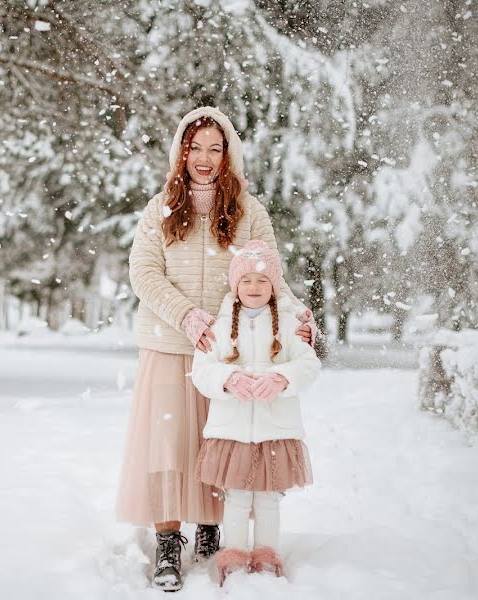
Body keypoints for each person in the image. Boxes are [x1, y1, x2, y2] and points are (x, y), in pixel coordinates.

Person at [115, 106, 318, 592]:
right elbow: (143, 272)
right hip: (168, 343)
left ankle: (211, 528)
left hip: (229, 350)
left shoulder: (248, 211)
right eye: (195, 147)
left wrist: (298, 316)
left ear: (228, 154)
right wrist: (184, 313)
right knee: (169, 446)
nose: (203, 158)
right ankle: (168, 540)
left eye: (214, 148)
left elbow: (272, 275)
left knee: (219, 444)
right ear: (181, 152)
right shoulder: (159, 207)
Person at [190, 240, 320, 584]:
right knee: (236, 497)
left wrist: (282, 378)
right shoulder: (218, 328)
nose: (254, 287)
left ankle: (265, 553)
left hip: (275, 428)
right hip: (232, 430)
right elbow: (202, 371)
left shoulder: (290, 326)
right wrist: (228, 378)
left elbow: (309, 364)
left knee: (267, 498)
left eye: (263, 281)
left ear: (274, 286)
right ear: (235, 285)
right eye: (246, 280)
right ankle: (234, 553)